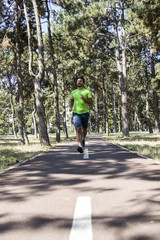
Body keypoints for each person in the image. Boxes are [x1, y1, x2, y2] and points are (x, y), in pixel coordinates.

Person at [69, 76, 93, 153]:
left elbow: (91, 101)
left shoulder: (87, 91)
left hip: (85, 113)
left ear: (83, 83)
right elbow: (71, 100)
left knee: (85, 129)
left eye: (80, 81)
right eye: (78, 81)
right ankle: (79, 146)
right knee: (78, 129)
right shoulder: (73, 92)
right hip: (76, 113)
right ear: (76, 83)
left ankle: (83, 139)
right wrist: (70, 107)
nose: (79, 82)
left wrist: (84, 99)